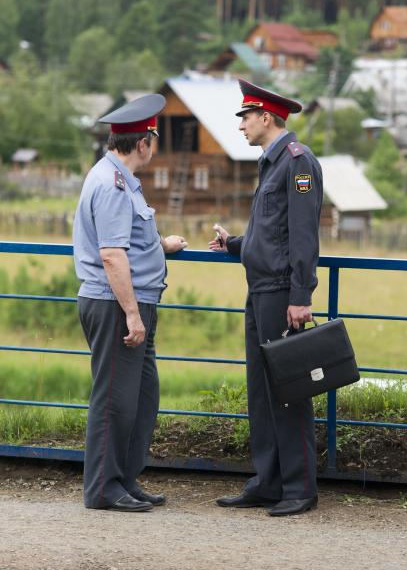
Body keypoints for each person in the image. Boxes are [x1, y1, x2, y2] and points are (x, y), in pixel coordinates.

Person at [209, 79, 323, 517]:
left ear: (267, 117)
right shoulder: (270, 162)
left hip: (281, 294)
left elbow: (303, 234)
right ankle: (268, 481)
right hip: (260, 289)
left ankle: (298, 488)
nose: (241, 125)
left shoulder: (297, 162)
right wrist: (236, 244)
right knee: (261, 390)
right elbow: (271, 232)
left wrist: (301, 294)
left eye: (246, 117)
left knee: (288, 391)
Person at [73, 94, 187, 512]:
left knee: (141, 398)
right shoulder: (113, 184)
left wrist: (160, 245)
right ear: (143, 143)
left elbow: (127, 241)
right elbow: (111, 254)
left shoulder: (118, 180)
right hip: (117, 306)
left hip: (129, 303)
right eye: (153, 139)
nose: (153, 146)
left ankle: (123, 478)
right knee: (115, 400)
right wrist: (133, 315)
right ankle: (103, 487)